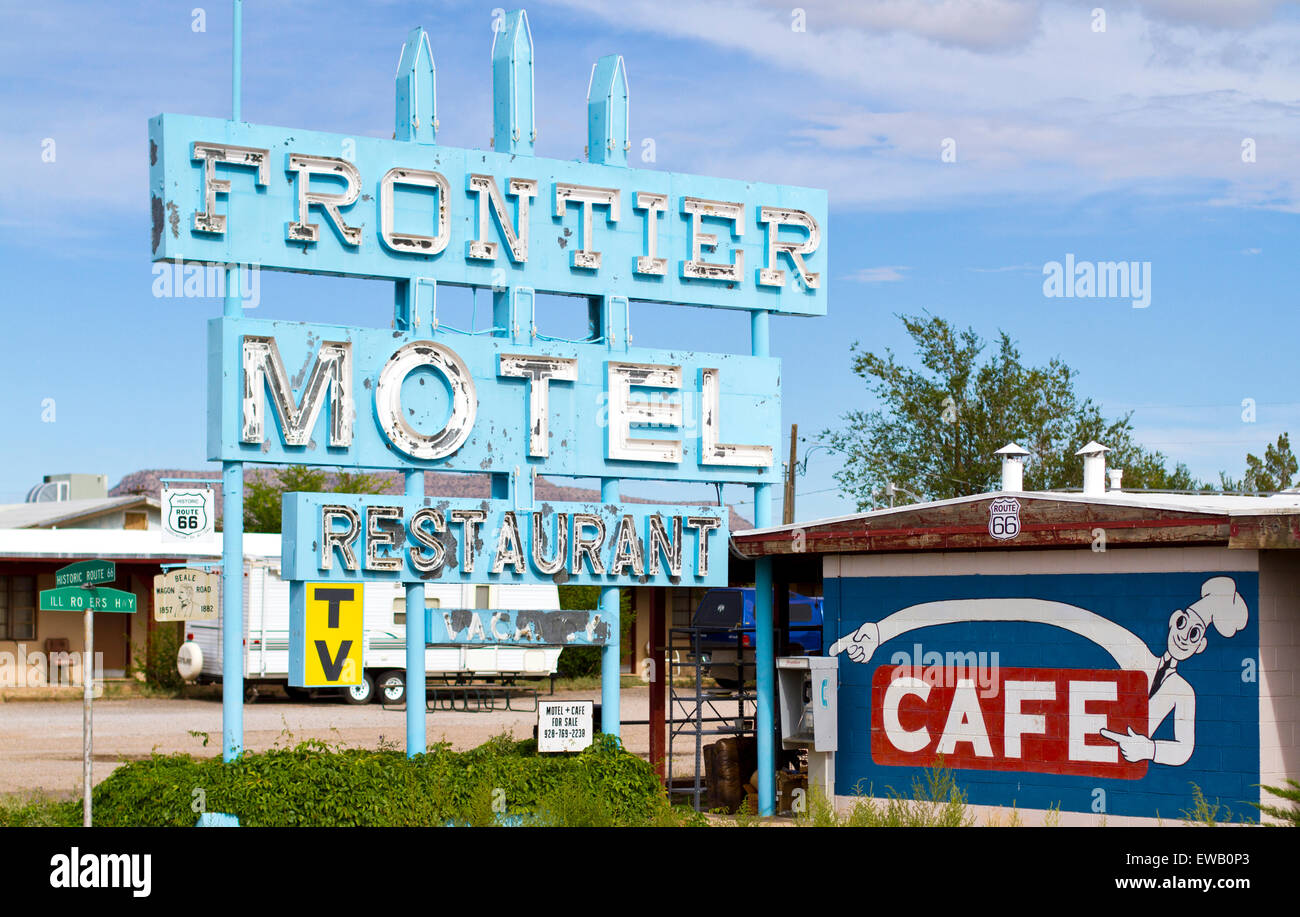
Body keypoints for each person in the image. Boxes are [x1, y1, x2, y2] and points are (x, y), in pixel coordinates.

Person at [829, 576, 1249, 767]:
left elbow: (1185, 749)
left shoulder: (1184, 693)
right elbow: (1039, 610)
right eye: (1182, 623)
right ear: (1174, 618)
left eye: (1194, 633)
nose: (1183, 634)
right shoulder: (1133, 652)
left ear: (1201, 644)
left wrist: (1150, 750)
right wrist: (884, 630)